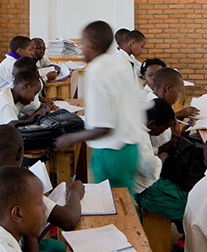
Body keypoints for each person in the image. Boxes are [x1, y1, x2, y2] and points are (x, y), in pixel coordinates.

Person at [54, 21, 147, 190]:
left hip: (111, 152)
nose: (81, 49)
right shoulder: (118, 66)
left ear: (93, 46)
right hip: (130, 148)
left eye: (83, 45)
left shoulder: (97, 71)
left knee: (113, 207)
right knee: (124, 205)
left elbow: (103, 128)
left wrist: (70, 138)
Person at [135, 101, 189, 227]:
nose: (162, 132)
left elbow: (144, 154)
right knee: (188, 204)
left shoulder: (137, 126)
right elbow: (149, 167)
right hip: (148, 192)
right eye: (163, 129)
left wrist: (163, 147)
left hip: (147, 184)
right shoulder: (140, 136)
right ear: (152, 124)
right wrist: (162, 157)